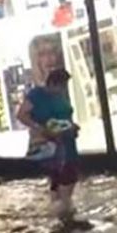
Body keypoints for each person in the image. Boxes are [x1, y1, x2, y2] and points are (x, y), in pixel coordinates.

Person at [17, 68, 80, 210]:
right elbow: (21, 115)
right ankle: (64, 208)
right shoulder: (36, 95)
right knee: (63, 173)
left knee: (66, 173)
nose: (63, 89)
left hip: (67, 139)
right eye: (61, 85)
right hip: (52, 141)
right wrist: (40, 128)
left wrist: (73, 126)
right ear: (51, 83)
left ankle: (61, 205)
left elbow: (67, 115)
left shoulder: (60, 96)